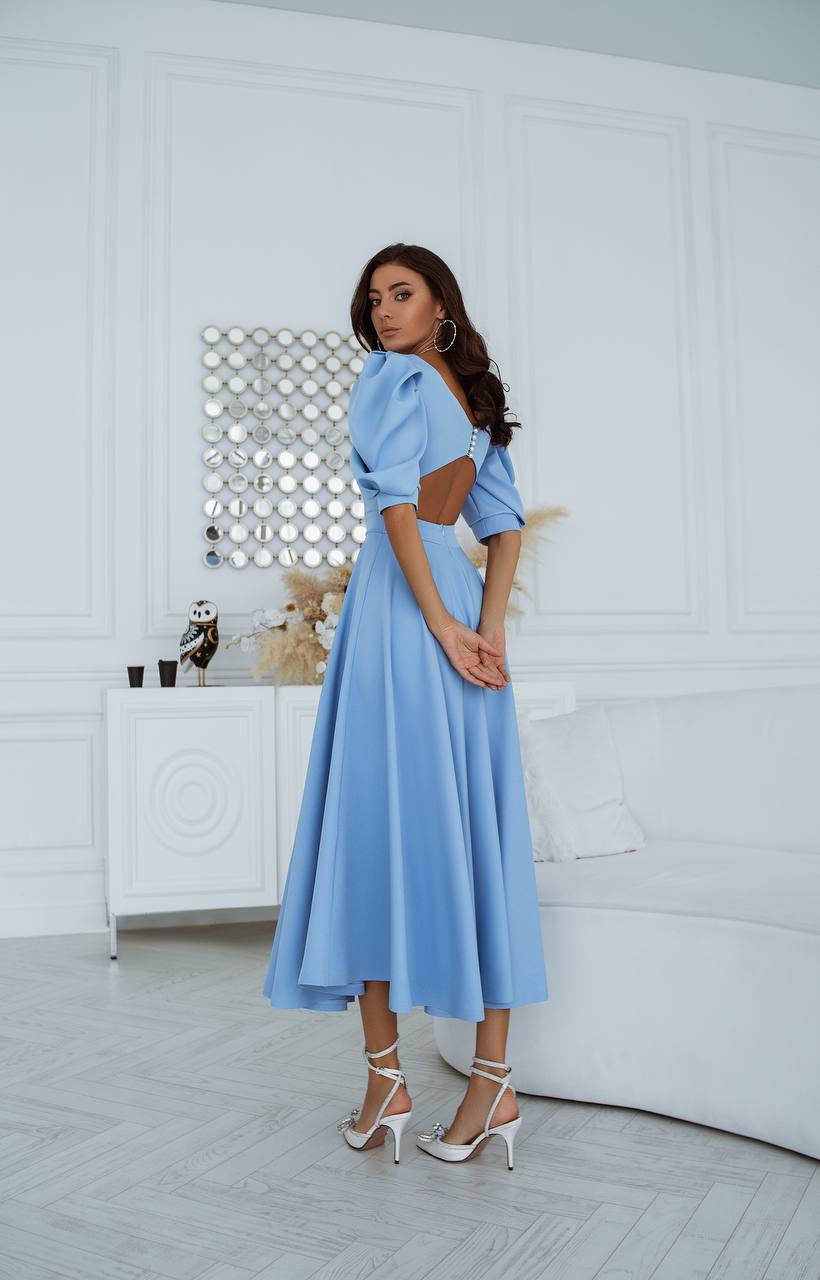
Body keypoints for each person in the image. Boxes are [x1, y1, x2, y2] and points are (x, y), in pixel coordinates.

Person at [262, 243, 549, 1169]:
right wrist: (484, 628)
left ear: (440, 306)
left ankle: (388, 1080)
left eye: (403, 294)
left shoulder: (391, 378)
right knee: (475, 830)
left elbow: (397, 513)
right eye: (374, 298)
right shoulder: (468, 400)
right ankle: (491, 1084)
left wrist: (446, 627)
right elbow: (497, 527)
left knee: (379, 828)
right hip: (455, 615)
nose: (383, 312)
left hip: (404, 614)